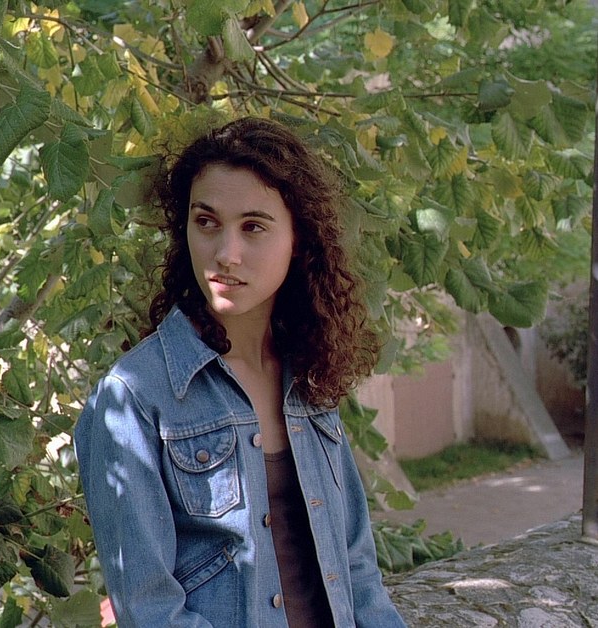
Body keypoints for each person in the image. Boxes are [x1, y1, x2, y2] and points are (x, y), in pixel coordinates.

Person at [74, 117, 406, 627]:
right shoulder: (133, 397)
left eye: (253, 227)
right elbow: (149, 610)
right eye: (207, 222)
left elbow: (357, 572)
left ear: (298, 238)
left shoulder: (308, 378)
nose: (225, 254)